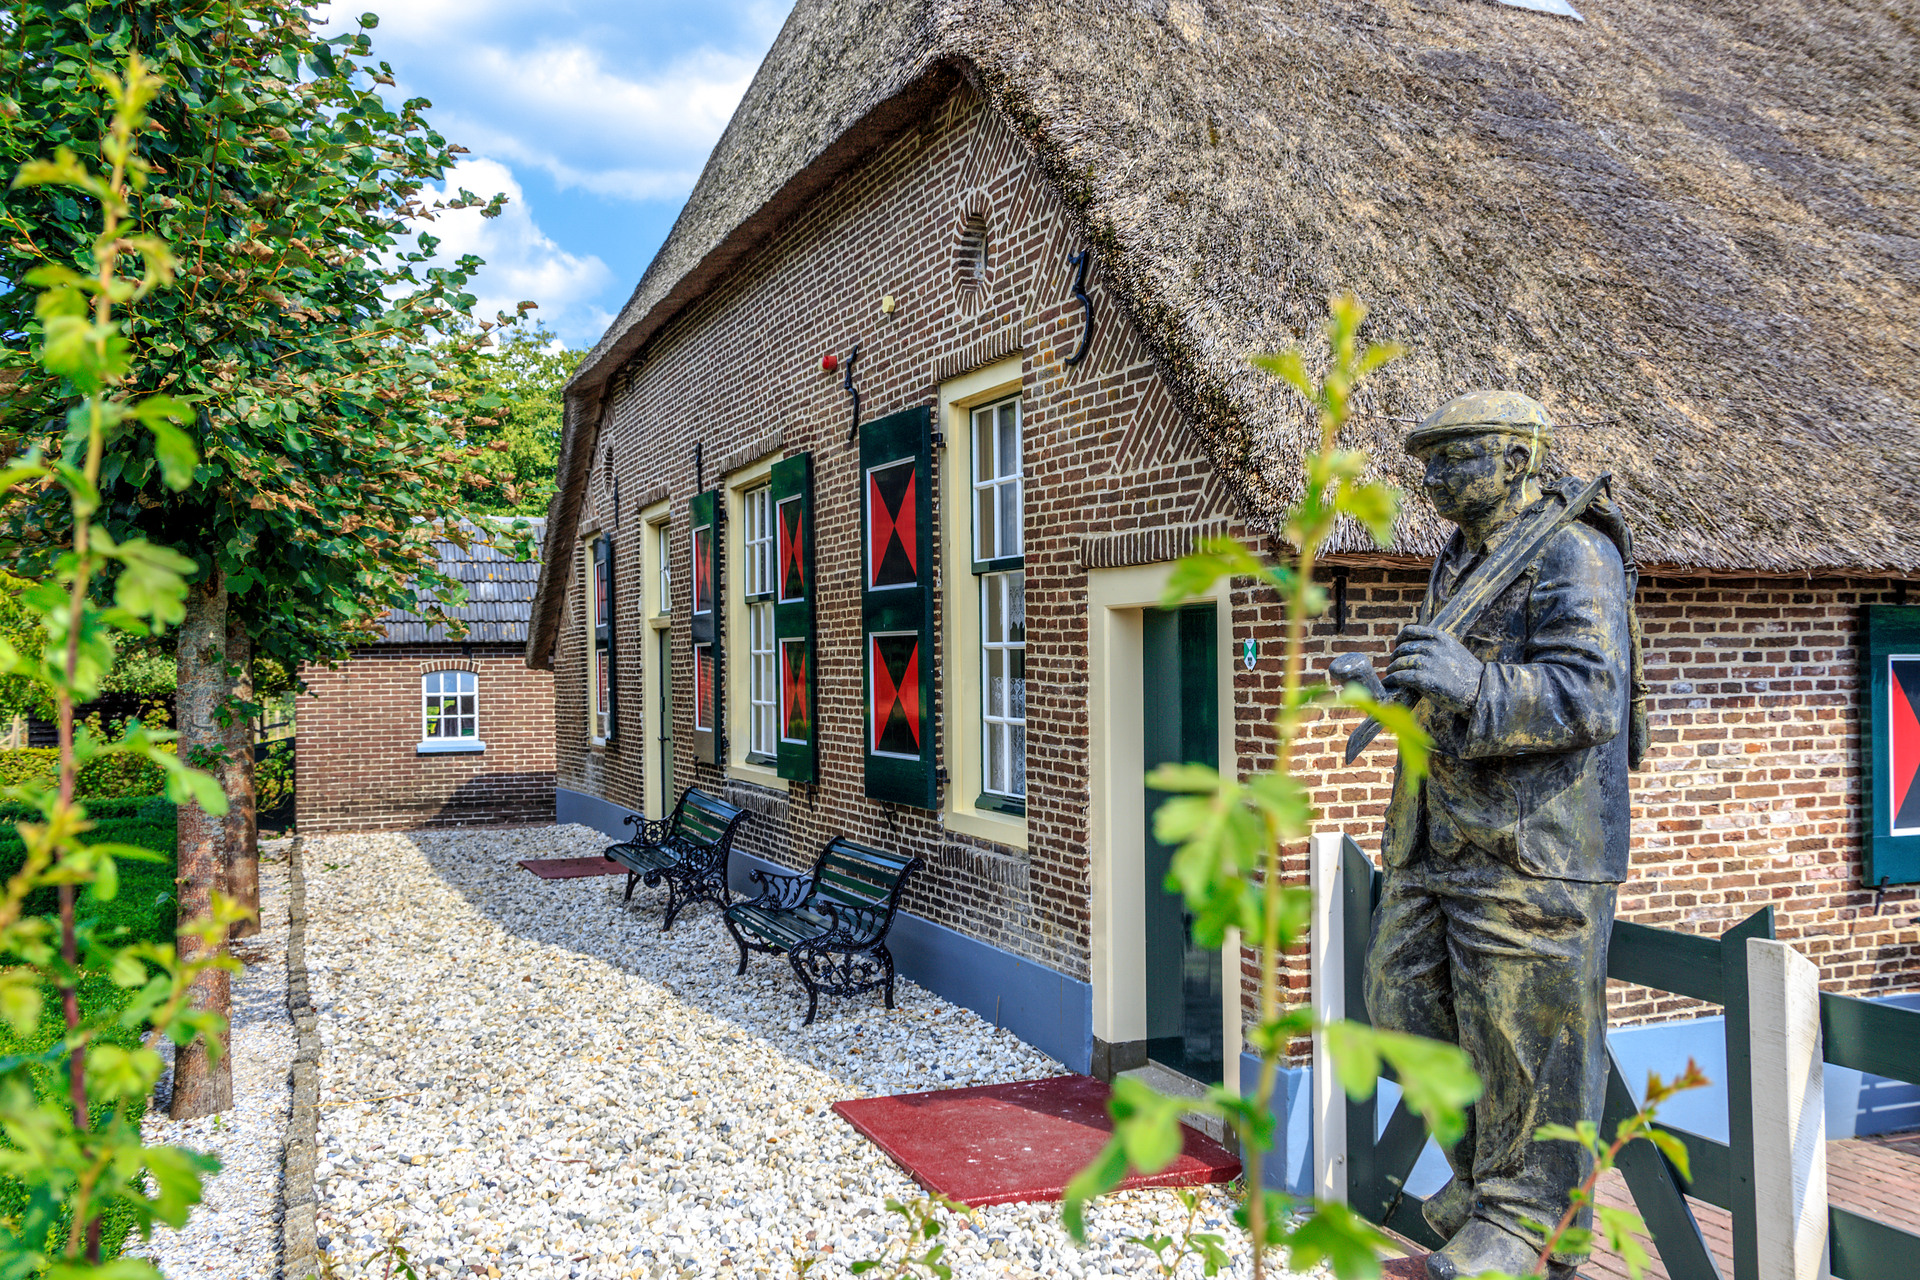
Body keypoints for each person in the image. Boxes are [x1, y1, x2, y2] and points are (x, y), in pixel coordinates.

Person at [1365, 391, 1635, 1280]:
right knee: (1398, 998)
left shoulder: (1573, 552)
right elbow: (1451, 684)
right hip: (1440, 839)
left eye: (1455, 458)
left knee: (1530, 1042)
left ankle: (1526, 1223)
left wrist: (1474, 683)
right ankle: (1490, 1185)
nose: (1433, 479)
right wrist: (1390, 687)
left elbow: (1593, 696)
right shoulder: (1458, 559)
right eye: (1428, 462)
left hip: (1535, 846)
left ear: (1518, 459)